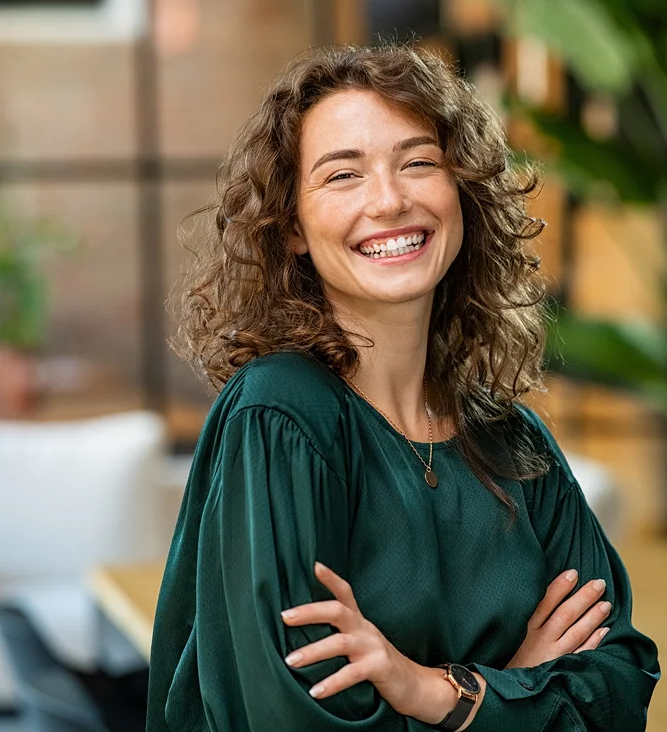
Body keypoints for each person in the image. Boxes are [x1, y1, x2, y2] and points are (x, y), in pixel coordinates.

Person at [145, 43, 660, 731]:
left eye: (418, 162)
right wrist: (515, 688)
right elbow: (291, 720)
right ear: (292, 226)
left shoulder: (514, 442)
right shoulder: (281, 416)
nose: (389, 200)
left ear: (461, 193)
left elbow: (619, 688)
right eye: (343, 176)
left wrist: (436, 691)